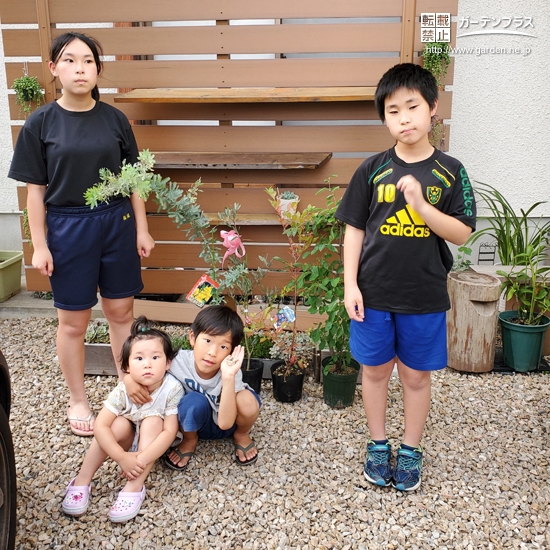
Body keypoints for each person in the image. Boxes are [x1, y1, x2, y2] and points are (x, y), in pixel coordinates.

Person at [335, 63, 476, 491]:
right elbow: (354, 228)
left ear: (433, 107)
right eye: (393, 111)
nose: (404, 118)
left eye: (412, 106)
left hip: (423, 294)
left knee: (416, 376)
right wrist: (350, 284)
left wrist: (421, 206)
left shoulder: (450, 170)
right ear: (384, 118)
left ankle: (411, 449)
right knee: (374, 371)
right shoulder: (372, 169)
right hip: (373, 294)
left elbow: (463, 233)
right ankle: (378, 444)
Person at [8, 32, 155, 436]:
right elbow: (35, 193)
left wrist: (141, 228)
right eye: (70, 61)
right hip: (67, 227)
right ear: (54, 69)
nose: (80, 68)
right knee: (73, 322)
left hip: (116, 223)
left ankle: (129, 390)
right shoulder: (40, 123)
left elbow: (135, 181)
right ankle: (78, 399)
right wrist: (39, 245)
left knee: (121, 313)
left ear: (97, 70)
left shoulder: (115, 119)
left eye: (88, 61)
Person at [61, 317, 183, 522]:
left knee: (154, 420)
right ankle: (82, 480)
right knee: (115, 424)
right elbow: (100, 424)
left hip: (150, 445)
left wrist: (138, 461)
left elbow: (169, 432)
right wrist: (121, 457)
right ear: (126, 366)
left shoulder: (172, 388)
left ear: (168, 362)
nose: (148, 365)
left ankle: (135, 486)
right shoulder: (123, 390)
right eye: (139, 359)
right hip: (126, 439)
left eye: (155, 357)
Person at [125, 305, 261, 470]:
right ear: (192, 337)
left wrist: (228, 377)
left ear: (231, 352)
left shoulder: (230, 371)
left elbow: (225, 423)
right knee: (192, 401)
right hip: (189, 424)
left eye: (223, 347)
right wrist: (128, 379)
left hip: (227, 424)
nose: (212, 352)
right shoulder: (176, 361)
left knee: (247, 400)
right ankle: (190, 440)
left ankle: (242, 434)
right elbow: (147, 370)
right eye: (208, 341)